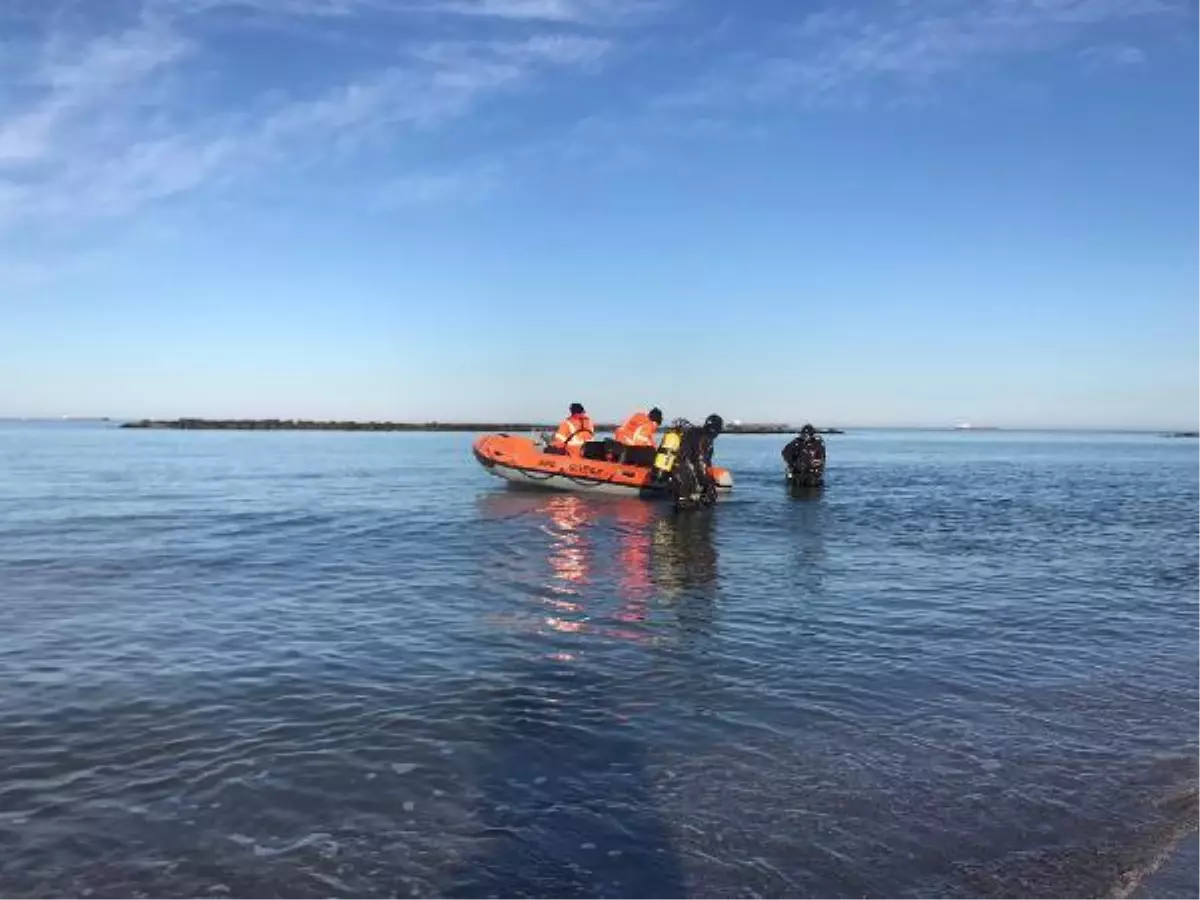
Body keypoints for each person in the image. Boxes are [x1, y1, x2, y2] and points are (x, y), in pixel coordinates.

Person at [672, 414, 723, 507]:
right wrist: (708, 484)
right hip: (684, 478)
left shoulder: (693, 432)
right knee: (687, 509)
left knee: (680, 506)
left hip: (676, 472)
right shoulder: (705, 439)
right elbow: (701, 462)